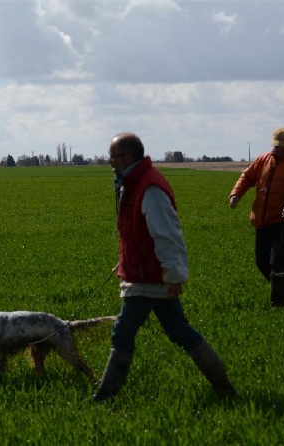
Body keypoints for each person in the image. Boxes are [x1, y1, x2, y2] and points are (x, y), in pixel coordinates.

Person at [93, 132, 236, 402]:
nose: (109, 162)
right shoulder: (132, 183)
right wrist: (126, 261)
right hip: (147, 274)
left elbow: (167, 235)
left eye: (111, 157)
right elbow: (138, 233)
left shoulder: (149, 187)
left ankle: (104, 397)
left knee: (122, 331)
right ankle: (225, 388)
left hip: (151, 278)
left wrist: (173, 276)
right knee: (180, 331)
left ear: (127, 157)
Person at [228, 127, 284, 306]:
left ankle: (278, 303)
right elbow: (246, 177)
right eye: (275, 146)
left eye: (282, 146)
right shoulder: (262, 159)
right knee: (261, 261)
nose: (277, 149)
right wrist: (236, 194)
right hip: (262, 219)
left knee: (278, 261)